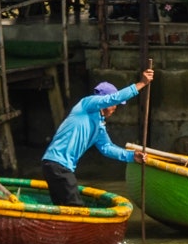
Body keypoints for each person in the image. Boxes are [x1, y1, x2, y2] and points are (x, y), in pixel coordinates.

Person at [40, 70, 154, 207]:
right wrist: (142, 83)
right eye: (115, 104)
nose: (115, 108)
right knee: (77, 208)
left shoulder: (99, 126)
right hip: (57, 164)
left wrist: (131, 156)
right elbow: (113, 98)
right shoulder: (87, 104)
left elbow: (107, 148)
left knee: (63, 208)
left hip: (59, 167)